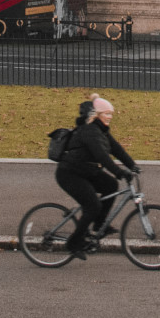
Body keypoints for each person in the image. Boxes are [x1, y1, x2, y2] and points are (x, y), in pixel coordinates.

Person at [55, 94, 137, 257]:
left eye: (111, 114)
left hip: (87, 171)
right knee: (92, 206)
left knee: (111, 185)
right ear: (97, 115)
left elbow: (116, 149)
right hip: (70, 173)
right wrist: (120, 172)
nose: (110, 117)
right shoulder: (89, 131)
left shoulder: (101, 131)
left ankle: (99, 224)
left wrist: (132, 165)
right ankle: (74, 243)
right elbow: (102, 156)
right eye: (107, 114)